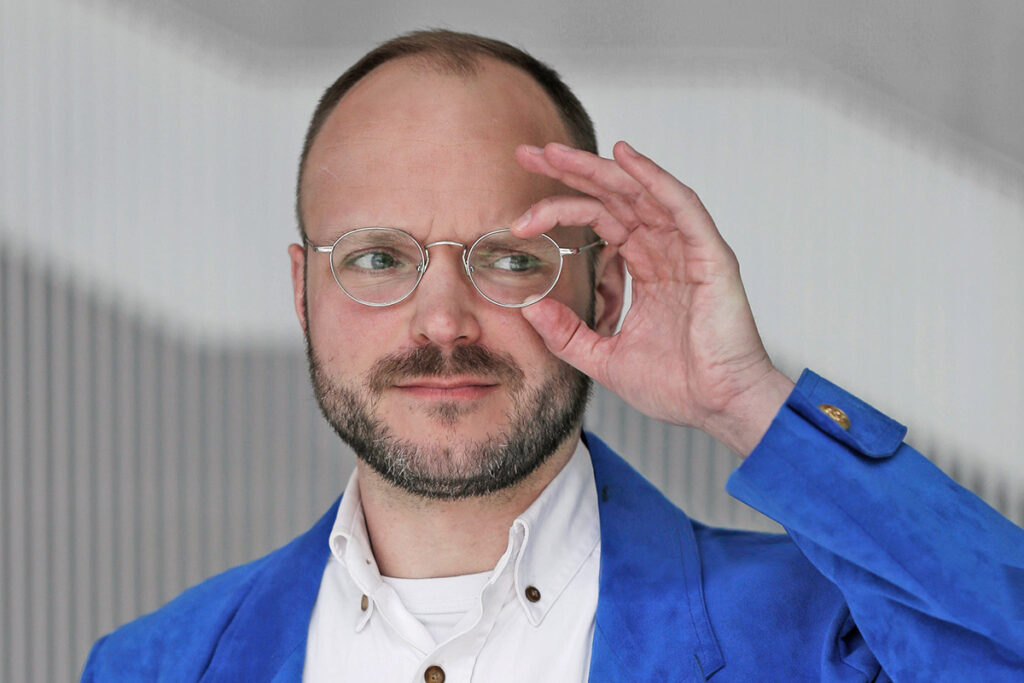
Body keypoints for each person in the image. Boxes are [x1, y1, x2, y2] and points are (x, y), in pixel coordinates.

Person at [82, 30, 1023, 682]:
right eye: (377, 258)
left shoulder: (825, 637)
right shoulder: (149, 666)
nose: (443, 321)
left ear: (600, 289)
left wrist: (748, 400)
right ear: (302, 293)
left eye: (511, 258)